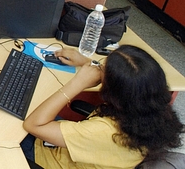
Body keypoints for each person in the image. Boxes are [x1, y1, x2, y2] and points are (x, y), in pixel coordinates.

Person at [22, 45, 184, 168]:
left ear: (115, 90)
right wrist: (87, 62)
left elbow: (33, 125)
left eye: (103, 68)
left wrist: (78, 83)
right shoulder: (149, 106)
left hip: (49, 158)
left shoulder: (105, 132)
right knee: (23, 103)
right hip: (79, 145)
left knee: (7, 117)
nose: (99, 69)